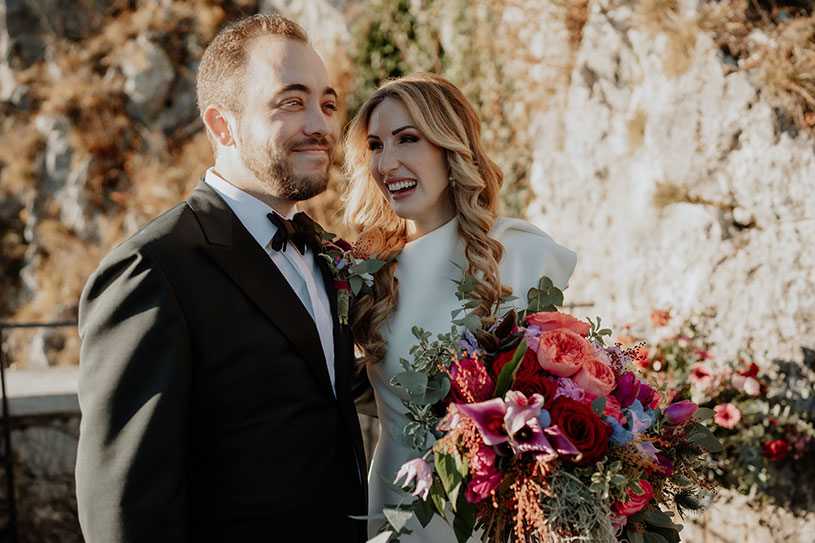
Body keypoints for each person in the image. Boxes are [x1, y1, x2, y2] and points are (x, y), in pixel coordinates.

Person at [75, 14, 366, 542]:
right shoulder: (152, 269)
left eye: (327, 103)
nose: (322, 124)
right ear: (221, 125)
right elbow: (124, 505)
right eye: (291, 101)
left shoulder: (323, 250)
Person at [342, 73, 577, 541]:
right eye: (375, 145)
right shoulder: (364, 273)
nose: (387, 162)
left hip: (496, 512)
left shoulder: (520, 255)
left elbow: (555, 396)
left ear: (451, 148)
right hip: (399, 502)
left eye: (407, 139)